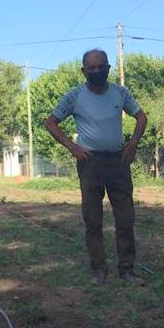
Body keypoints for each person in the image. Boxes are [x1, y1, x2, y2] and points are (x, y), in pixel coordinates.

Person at [44, 49, 148, 285]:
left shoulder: (120, 93)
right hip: (90, 164)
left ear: (108, 68)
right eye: (91, 68)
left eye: (101, 67)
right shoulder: (74, 96)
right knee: (93, 220)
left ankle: (127, 270)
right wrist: (72, 147)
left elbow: (141, 117)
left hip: (118, 162)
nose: (96, 71)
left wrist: (132, 144)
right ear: (83, 71)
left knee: (126, 219)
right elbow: (50, 123)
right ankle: (99, 271)